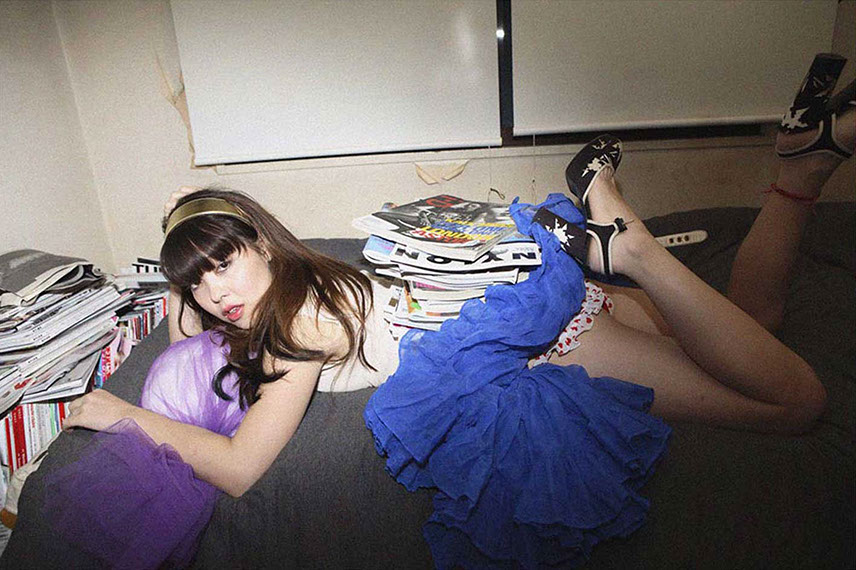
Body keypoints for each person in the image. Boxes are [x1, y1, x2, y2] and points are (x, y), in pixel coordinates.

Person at [59, 54, 853, 564]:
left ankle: (632, 245)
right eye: (198, 282)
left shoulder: (295, 330)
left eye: (223, 264)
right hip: (527, 289)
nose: (215, 295)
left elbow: (239, 470)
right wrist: (184, 241)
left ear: (261, 242)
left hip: (541, 338)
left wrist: (122, 415)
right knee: (751, 327)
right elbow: (188, 326)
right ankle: (800, 166)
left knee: (794, 405)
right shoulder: (301, 273)